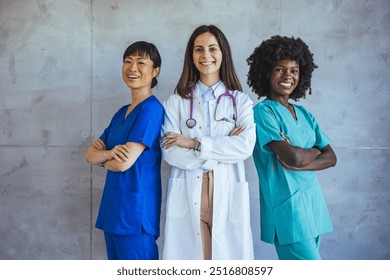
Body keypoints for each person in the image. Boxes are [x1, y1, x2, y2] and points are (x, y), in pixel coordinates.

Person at [161, 24, 256, 260]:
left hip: (227, 188)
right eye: (198, 49)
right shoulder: (176, 102)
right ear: (191, 55)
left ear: (223, 53)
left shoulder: (240, 102)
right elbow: (170, 152)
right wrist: (223, 146)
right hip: (189, 189)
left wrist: (193, 143)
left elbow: (245, 146)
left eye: (212, 48)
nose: (206, 55)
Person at [247, 35, 337, 260]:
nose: (288, 76)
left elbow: (331, 157)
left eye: (294, 70)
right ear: (267, 73)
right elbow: (293, 157)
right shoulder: (263, 112)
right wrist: (315, 151)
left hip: (313, 207)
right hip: (289, 211)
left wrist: (309, 156)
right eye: (280, 69)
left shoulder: (305, 114)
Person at [84, 41, 164, 260]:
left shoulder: (152, 110)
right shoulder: (121, 112)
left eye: (141, 62)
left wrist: (104, 158)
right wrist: (109, 154)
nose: (133, 68)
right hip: (113, 211)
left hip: (135, 215)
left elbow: (123, 163)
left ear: (155, 70)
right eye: (128, 62)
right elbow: (89, 154)